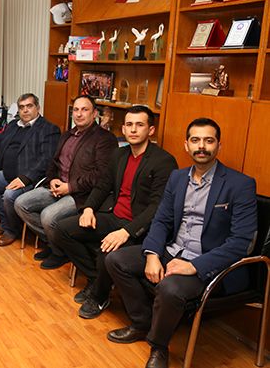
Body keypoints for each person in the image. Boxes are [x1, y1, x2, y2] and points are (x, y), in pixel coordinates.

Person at [105, 118, 257, 368]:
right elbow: (161, 220)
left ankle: (158, 346)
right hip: (173, 250)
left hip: (210, 262)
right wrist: (152, 254)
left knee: (169, 288)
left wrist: (195, 266)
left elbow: (241, 242)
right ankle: (142, 323)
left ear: (219, 145)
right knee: (115, 260)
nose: (201, 146)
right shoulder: (177, 178)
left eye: (208, 141)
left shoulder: (240, 184)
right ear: (186, 145)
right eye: (195, 140)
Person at [54, 106, 178, 319]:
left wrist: (126, 232)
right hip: (112, 216)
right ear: (123, 128)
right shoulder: (120, 154)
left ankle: (99, 296)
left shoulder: (164, 161)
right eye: (129, 125)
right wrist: (89, 208)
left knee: (107, 254)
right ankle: (96, 279)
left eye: (139, 125)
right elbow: (103, 185)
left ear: (150, 130)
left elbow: (157, 207)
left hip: (138, 226)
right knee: (62, 229)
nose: (133, 130)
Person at [14, 95, 118, 269]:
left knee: (48, 216)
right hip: (56, 186)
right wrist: (52, 179)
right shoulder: (67, 135)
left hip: (82, 194)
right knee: (21, 203)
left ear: (95, 114)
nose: (79, 114)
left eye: (84, 110)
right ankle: (55, 243)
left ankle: (59, 253)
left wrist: (69, 187)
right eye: (76, 110)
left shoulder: (105, 138)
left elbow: (100, 175)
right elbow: (53, 162)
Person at [0, 93, 60, 246]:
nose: (25, 110)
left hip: (30, 179)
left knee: (9, 195)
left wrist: (25, 178)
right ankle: (7, 220)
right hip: (7, 174)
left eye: (29, 106)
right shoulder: (14, 125)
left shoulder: (49, 129)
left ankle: (11, 230)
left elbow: (46, 159)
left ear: (38, 108)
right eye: (22, 107)